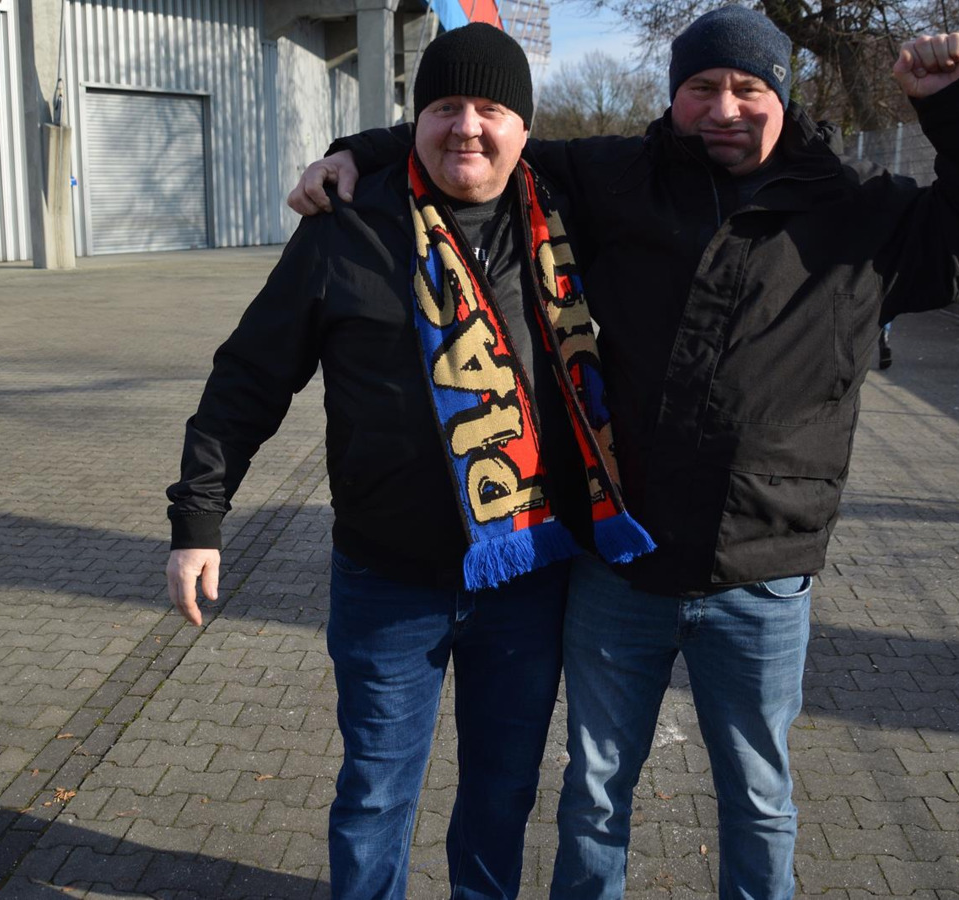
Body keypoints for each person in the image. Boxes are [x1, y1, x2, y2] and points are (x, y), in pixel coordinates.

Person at [290, 8, 959, 897]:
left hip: (762, 574)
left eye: (747, 88)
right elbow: (483, 136)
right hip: (622, 571)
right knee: (595, 793)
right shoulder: (618, 179)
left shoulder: (859, 212)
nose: (723, 108)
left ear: (784, 95)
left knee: (759, 799)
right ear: (672, 94)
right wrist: (357, 150)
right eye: (701, 87)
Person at [166, 23, 652, 900]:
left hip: (529, 574)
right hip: (386, 578)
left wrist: (354, 144)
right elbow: (249, 376)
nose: (468, 126)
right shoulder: (348, 227)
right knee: (375, 795)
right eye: (444, 107)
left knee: (503, 791)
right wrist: (198, 517)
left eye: (491, 108)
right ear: (415, 118)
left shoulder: (571, 216)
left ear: (525, 127)